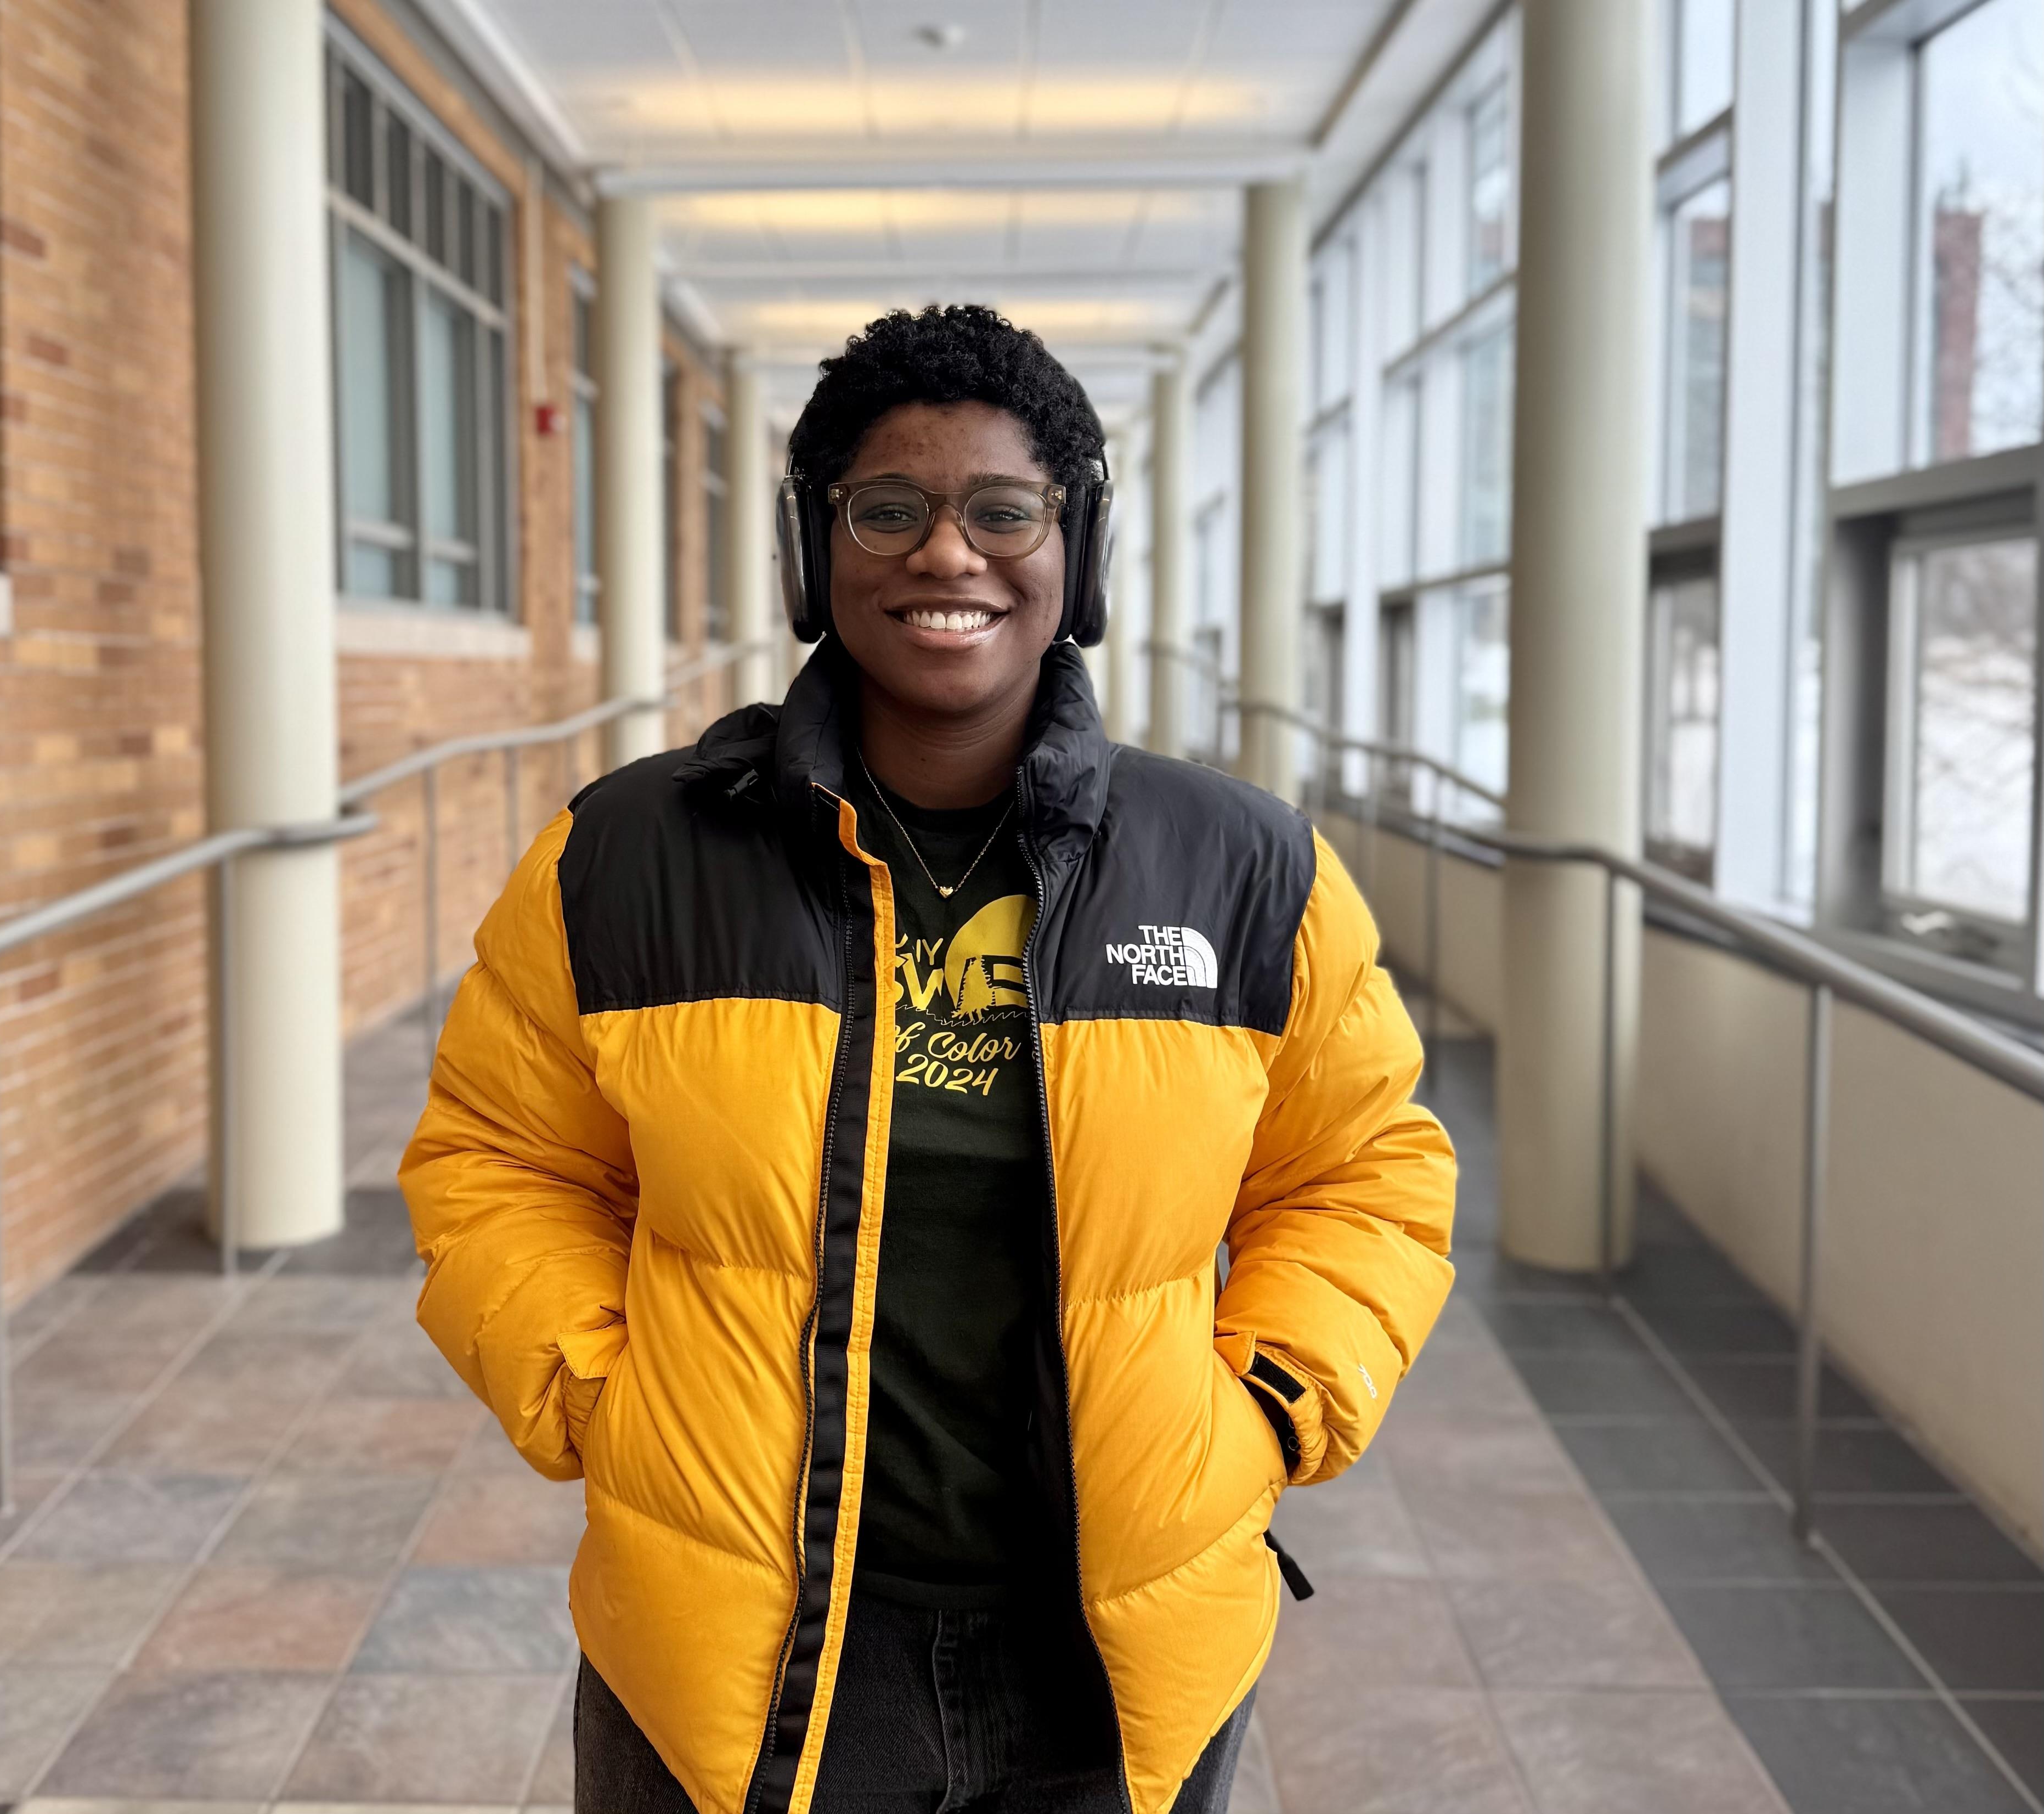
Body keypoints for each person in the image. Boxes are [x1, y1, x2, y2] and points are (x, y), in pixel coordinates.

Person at [401, 304, 1456, 1814]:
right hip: (731, 1651)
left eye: (1003, 508)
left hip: (1108, 1658)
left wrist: (1273, 1400)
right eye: (886, 509)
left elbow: (1368, 1172)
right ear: (812, 553)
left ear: (1075, 548)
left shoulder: (1238, 867)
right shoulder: (626, 856)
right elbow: (496, 1157)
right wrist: (594, 1391)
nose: (947, 554)